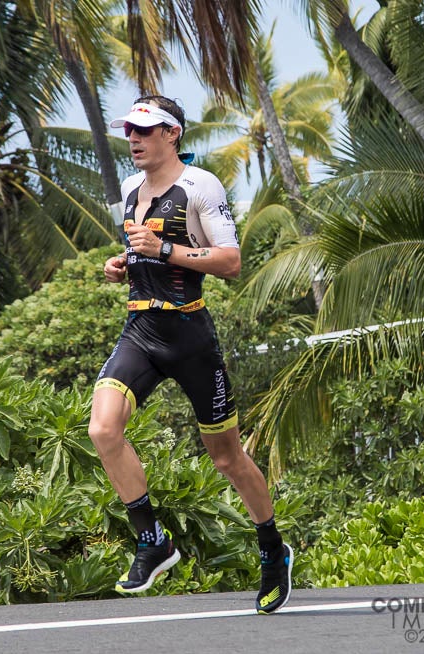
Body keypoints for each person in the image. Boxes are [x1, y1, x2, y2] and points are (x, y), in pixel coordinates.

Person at [88, 95, 293, 614]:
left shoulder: (202, 186)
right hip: (140, 327)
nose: (132, 140)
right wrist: (124, 265)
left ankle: (273, 551)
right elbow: (143, 254)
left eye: (144, 130)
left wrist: (164, 251)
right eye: (128, 131)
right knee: (103, 428)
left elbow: (229, 260)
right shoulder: (130, 189)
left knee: (227, 457)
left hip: (190, 337)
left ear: (172, 134)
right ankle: (152, 541)